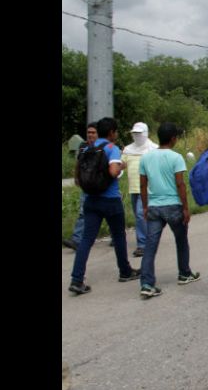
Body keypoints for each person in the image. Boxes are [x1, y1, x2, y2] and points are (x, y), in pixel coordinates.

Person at [69, 117, 141, 295]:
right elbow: (114, 171)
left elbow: (78, 177)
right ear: (111, 133)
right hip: (110, 200)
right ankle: (125, 271)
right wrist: (121, 165)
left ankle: (76, 279)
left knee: (86, 240)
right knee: (118, 236)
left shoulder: (86, 148)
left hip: (90, 200)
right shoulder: (111, 148)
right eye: (115, 131)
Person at [137, 122, 200, 299]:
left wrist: (145, 205)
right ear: (173, 138)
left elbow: (143, 184)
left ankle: (147, 283)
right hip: (173, 206)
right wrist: (186, 208)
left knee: (150, 245)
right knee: (181, 241)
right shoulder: (176, 158)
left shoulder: (146, 158)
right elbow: (180, 184)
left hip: (154, 207)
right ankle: (184, 273)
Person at [122, 122, 159, 257]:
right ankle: (150, 237)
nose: (137, 136)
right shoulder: (128, 150)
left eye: (139, 133)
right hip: (133, 188)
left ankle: (142, 245)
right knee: (142, 215)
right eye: (135, 134)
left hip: (147, 188)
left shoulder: (153, 149)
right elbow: (122, 165)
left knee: (139, 214)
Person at [63, 122, 98, 250]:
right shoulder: (83, 146)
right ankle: (77, 239)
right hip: (86, 185)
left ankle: (117, 237)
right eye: (89, 132)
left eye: (93, 132)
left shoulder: (103, 147)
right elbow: (79, 162)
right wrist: (76, 177)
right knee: (83, 211)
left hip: (100, 186)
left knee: (109, 213)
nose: (90, 135)